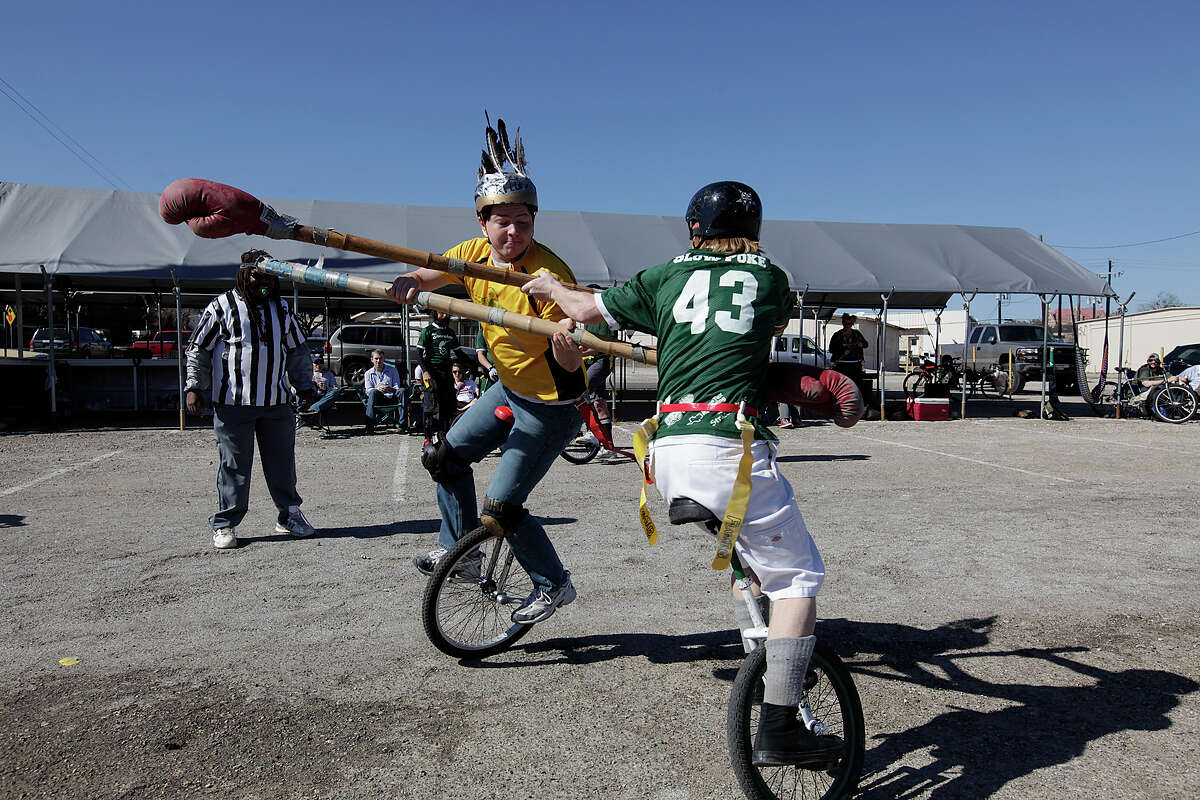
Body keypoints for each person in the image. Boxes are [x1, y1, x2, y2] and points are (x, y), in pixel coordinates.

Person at [522, 181, 844, 767]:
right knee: (797, 579)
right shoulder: (770, 276)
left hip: (666, 453)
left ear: (693, 227)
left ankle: (759, 652)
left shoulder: (663, 274)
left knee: (741, 555)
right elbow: (751, 345)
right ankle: (781, 721)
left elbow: (583, 308)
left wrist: (550, 287)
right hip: (729, 446)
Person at [387, 115, 584, 625]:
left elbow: (571, 354)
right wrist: (410, 278)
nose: (514, 231)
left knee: (502, 508)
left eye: (524, 221)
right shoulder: (471, 254)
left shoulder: (549, 274)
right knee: (444, 457)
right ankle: (463, 552)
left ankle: (552, 585)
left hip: (550, 406)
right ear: (483, 223)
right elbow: (430, 271)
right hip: (508, 387)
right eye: (503, 221)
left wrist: (568, 344)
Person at [185, 249, 317, 550]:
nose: (266, 284)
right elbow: (198, 349)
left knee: (282, 463)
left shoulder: (281, 309)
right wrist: (194, 386)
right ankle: (225, 523)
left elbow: (297, 351)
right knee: (234, 465)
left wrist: (305, 386)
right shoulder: (221, 306)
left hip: (276, 403)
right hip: (232, 404)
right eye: (259, 277)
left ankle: (289, 515)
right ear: (245, 275)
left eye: (271, 278)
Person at [418, 311, 459, 437]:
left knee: (449, 405)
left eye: (447, 313)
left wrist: (474, 365)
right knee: (431, 406)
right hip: (431, 372)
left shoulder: (450, 332)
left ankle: (446, 436)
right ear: (435, 314)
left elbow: (459, 353)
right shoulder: (428, 331)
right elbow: (418, 353)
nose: (445, 316)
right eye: (441, 313)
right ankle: (427, 438)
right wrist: (425, 371)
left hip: (446, 372)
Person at [363, 349, 403, 434]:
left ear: (384, 359)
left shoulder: (393, 370)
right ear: (372, 359)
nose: (378, 361)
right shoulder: (367, 373)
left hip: (392, 397)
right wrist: (377, 389)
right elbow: (368, 390)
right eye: (376, 358)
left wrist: (390, 389)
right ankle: (369, 427)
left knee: (402, 391)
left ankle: (403, 425)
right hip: (378, 399)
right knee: (373, 392)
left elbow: (397, 387)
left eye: (380, 358)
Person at [828, 312, 869, 394]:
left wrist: (861, 344)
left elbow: (866, 344)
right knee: (842, 385)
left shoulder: (857, 334)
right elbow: (831, 349)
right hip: (841, 365)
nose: (848, 326)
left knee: (856, 385)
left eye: (850, 324)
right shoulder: (837, 335)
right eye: (846, 324)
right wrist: (842, 351)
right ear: (843, 323)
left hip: (855, 365)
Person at [303, 354, 340, 427]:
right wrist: (314, 385)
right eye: (316, 363)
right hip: (310, 397)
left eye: (321, 363)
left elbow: (335, 388)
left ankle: (313, 408)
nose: (319, 365)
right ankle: (311, 410)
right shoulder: (307, 373)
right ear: (312, 364)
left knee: (336, 392)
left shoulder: (328, 374)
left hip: (323, 398)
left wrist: (326, 388)